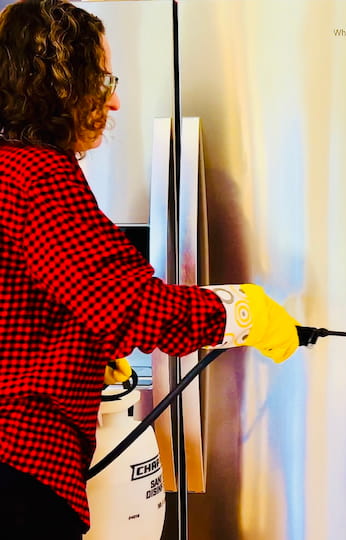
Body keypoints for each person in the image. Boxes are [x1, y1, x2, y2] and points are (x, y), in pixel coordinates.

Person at [0, 1, 301, 538]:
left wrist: (83, 347)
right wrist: (243, 312)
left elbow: (36, 298)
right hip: (19, 461)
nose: (114, 101)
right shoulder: (38, 176)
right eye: (103, 78)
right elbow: (134, 310)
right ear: (59, 84)